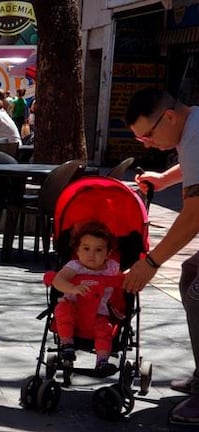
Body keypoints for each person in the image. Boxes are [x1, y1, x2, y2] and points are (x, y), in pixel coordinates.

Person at [123, 87, 199, 425]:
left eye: (148, 136)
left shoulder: (196, 133)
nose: (148, 145)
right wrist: (165, 179)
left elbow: (195, 215)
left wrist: (151, 262)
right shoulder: (190, 127)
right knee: (190, 275)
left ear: (168, 116)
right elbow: (191, 165)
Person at [52, 220, 123, 375]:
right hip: (76, 312)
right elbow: (58, 280)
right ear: (77, 250)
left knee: (105, 329)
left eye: (98, 250)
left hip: (100, 314)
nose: (91, 254)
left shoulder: (112, 268)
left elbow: (123, 282)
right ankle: (67, 344)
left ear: (108, 253)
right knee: (63, 309)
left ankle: (102, 360)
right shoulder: (75, 266)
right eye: (86, 248)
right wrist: (73, 288)